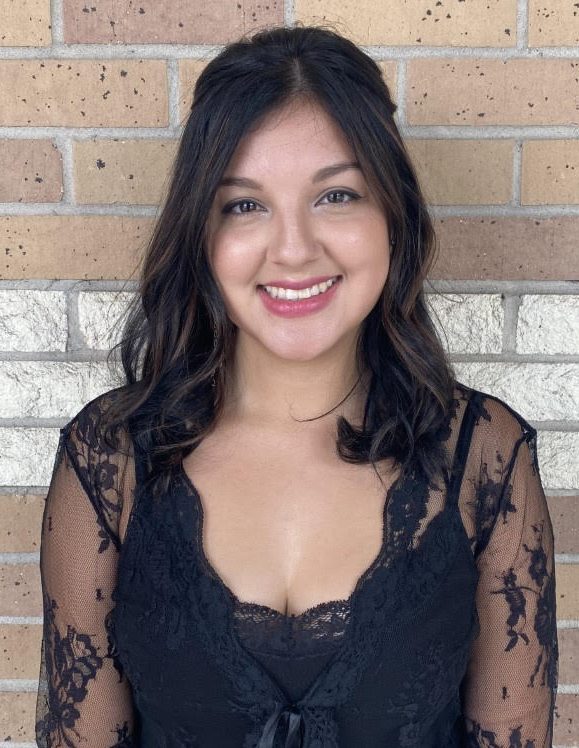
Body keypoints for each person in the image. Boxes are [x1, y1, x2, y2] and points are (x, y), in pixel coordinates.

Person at [34, 23, 558, 748]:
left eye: (336, 195)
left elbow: (513, 730)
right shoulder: (111, 459)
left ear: (392, 215)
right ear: (201, 232)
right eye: (244, 205)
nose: (292, 249)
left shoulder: (484, 457)